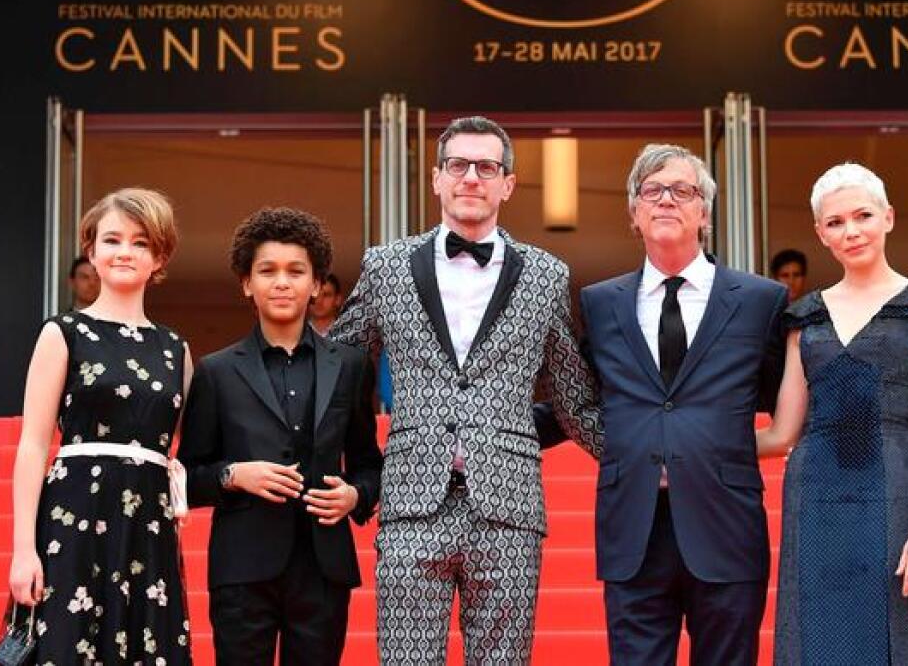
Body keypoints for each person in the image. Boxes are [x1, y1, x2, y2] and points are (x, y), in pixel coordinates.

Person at [329, 115, 602, 665]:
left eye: (487, 166)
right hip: (411, 502)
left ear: (507, 183)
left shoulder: (547, 275)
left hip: (509, 507)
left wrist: (643, 461)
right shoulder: (385, 267)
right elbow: (337, 369)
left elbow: (573, 394)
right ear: (436, 179)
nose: (471, 177)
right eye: (458, 165)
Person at [573, 144, 785, 664]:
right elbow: (575, 397)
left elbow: (790, 400)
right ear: (634, 212)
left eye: (683, 190)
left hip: (726, 523)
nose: (666, 200)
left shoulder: (760, 301)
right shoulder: (600, 304)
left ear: (705, 212)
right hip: (633, 528)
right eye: (652, 190)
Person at [757, 162, 908, 665]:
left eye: (863, 216)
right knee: (817, 642)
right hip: (814, 501)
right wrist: (696, 445)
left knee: (892, 638)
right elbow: (783, 431)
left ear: (888, 218)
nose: (851, 231)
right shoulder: (803, 318)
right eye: (835, 223)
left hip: (895, 499)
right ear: (820, 233)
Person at [177, 207, 383, 664]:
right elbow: (186, 476)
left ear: (317, 284)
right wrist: (234, 475)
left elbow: (370, 463)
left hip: (324, 566)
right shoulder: (215, 371)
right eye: (267, 270)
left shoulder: (350, 366)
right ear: (247, 283)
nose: (282, 282)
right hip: (242, 568)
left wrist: (354, 495)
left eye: (296, 271)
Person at [8, 187, 192, 662]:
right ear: (91, 249)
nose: (124, 252)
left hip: (149, 526)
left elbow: (194, 446)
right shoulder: (62, 332)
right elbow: (32, 446)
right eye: (112, 240)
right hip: (73, 518)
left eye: (141, 242)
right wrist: (23, 550)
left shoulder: (177, 350)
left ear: (160, 256)